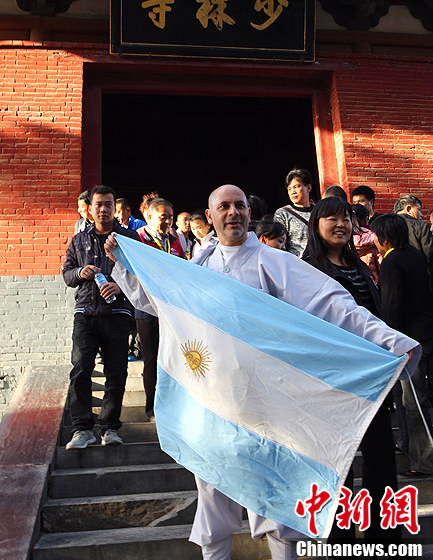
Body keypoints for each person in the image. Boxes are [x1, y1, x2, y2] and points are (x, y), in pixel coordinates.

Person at [105, 185, 420, 560]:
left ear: (249, 213)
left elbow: (332, 304)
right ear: (211, 216)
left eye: (240, 205)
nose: (233, 213)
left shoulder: (273, 262)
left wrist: (387, 338)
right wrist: (126, 264)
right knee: (212, 499)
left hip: (264, 407)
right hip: (210, 403)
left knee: (274, 498)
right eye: (224, 206)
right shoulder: (199, 266)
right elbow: (156, 301)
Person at [302, 197, 406, 544]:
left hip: (371, 376)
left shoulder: (359, 265)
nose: (341, 224)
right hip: (332, 379)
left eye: (345, 218)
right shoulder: (306, 272)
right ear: (316, 225)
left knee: (380, 454)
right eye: (331, 218)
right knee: (338, 460)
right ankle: (339, 535)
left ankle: (383, 532)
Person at [62, 185, 141, 450]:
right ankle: (82, 429)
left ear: (114, 208)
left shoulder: (129, 238)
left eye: (109, 204)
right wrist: (80, 272)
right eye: (99, 205)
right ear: (90, 209)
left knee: (116, 372)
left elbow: (141, 273)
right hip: (85, 312)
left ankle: (109, 427)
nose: (104, 209)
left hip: (117, 314)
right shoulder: (79, 240)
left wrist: (121, 286)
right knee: (80, 368)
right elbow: (67, 275)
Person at [371, 213, 433, 476]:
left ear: (383, 238)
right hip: (428, 334)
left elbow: (393, 305)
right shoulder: (416, 255)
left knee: (414, 402)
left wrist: (390, 340)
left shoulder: (392, 262)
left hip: (409, 339)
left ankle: (424, 461)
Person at [135, 198, 185, 420]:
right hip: (146, 309)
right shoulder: (137, 239)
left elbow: (182, 267)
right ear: (149, 217)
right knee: (151, 358)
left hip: (171, 308)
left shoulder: (175, 241)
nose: (167, 221)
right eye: (163, 216)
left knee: (172, 358)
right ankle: (152, 408)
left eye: (170, 217)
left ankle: (172, 405)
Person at [274, 168, 313, 257]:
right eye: (289, 189)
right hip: (295, 264)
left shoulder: (320, 212)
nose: (293, 192)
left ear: (308, 188)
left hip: (320, 265)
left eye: (296, 187)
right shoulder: (283, 214)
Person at [394, 195, 433, 283]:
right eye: (418, 210)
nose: (421, 215)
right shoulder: (422, 226)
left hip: (394, 279)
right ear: (408, 209)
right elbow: (429, 255)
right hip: (420, 280)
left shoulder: (385, 225)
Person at [351, 202, 381, 285]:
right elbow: (380, 262)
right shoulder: (373, 237)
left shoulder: (344, 237)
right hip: (371, 282)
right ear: (366, 219)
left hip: (350, 281)